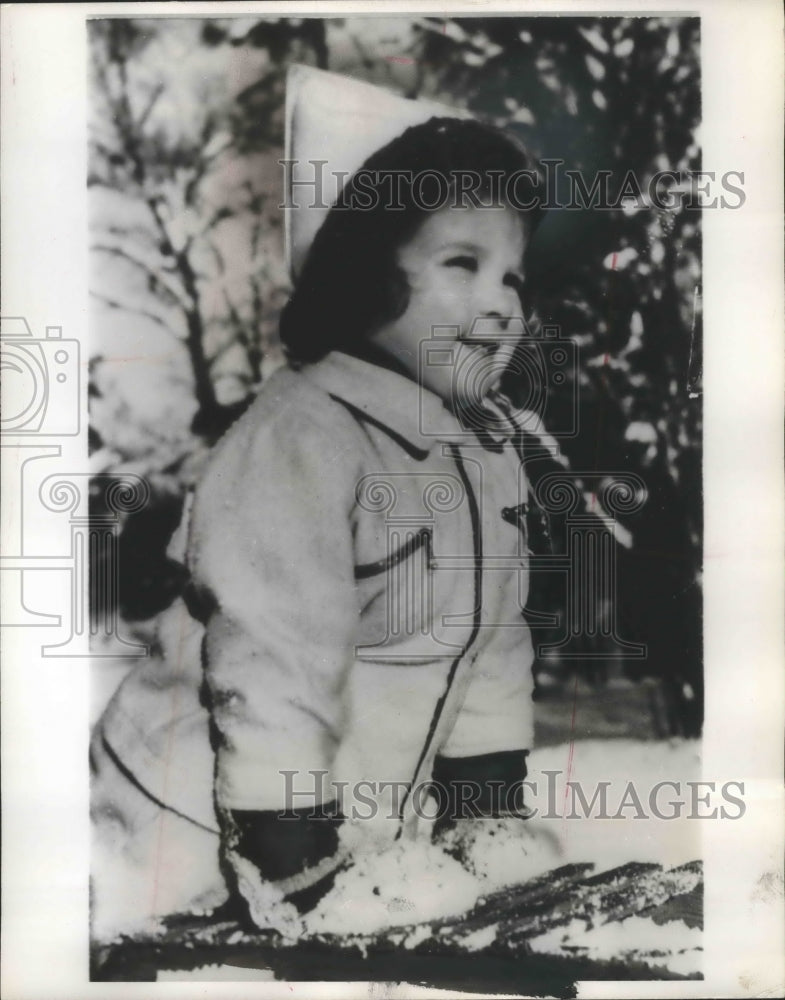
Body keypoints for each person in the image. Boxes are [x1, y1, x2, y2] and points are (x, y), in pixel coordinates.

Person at [91, 77, 557, 938]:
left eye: (513, 278)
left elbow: (492, 652)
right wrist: (291, 861)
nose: (501, 302)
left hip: (350, 841)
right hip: (180, 843)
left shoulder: (485, 457)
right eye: (462, 263)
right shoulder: (302, 435)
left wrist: (480, 813)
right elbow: (270, 665)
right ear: (363, 274)